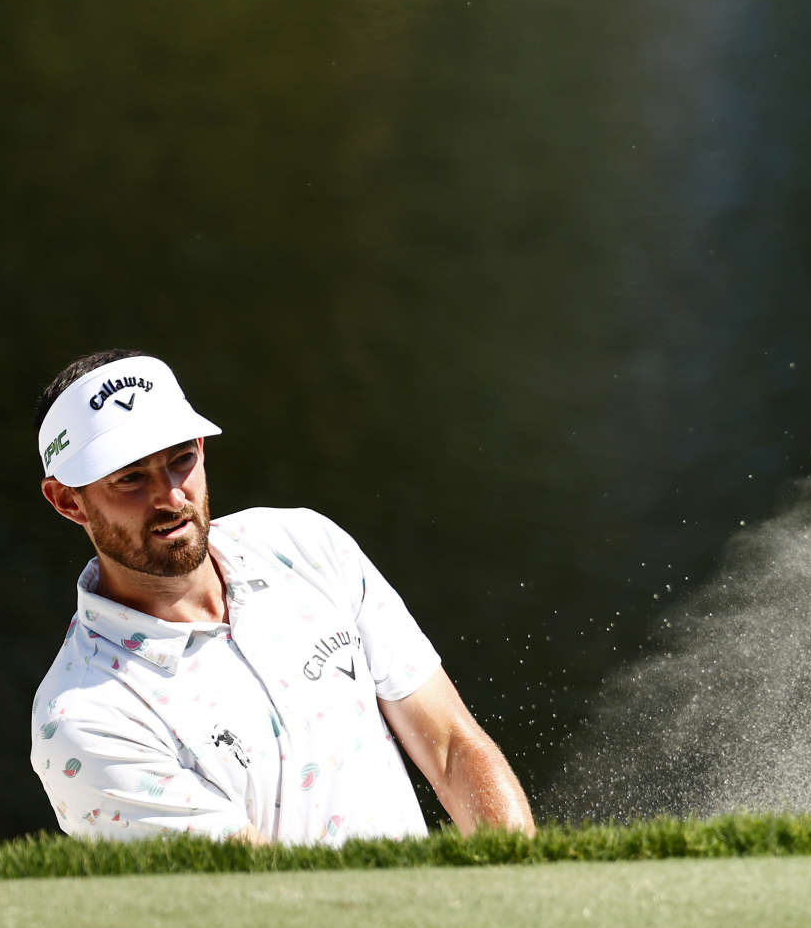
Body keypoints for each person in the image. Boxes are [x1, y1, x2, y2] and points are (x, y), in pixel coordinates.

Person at [28, 349, 535, 845]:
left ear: (202, 447)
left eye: (181, 460)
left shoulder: (307, 545)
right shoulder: (83, 722)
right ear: (68, 501)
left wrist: (519, 884)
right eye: (131, 478)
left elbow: (450, 748)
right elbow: (273, 899)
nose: (172, 496)